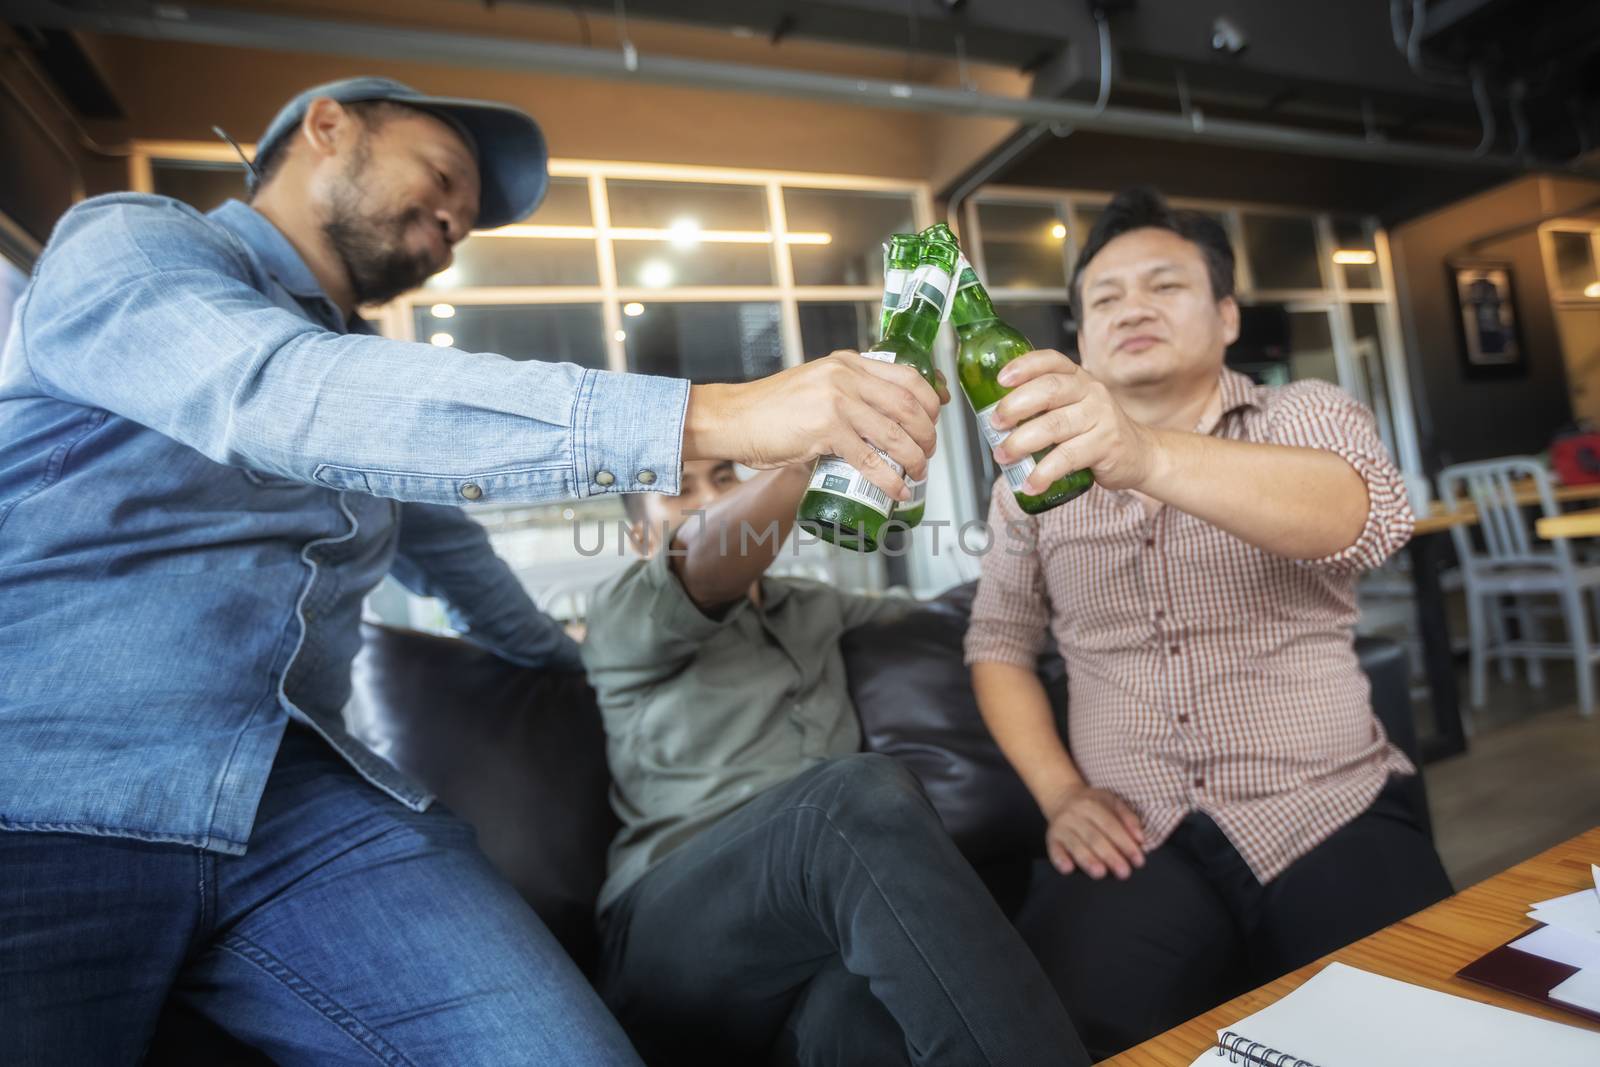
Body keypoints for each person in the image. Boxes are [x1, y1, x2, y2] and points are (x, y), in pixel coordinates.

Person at [0, 76, 941, 1065]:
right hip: (48, 780)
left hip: (298, 808)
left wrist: (611, 663)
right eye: (444, 175)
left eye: (468, 216)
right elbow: (276, 393)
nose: (456, 220)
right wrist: (714, 414)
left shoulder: (376, 407)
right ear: (329, 126)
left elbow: (485, 594)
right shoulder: (136, 244)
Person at [964, 186, 1453, 1058]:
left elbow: (1365, 517)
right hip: (1134, 835)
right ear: (1080, 337)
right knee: (1054, 1037)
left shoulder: (1302, 412)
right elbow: (998, 645)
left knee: (1413, 1034)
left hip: (1326, 804)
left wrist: (1143, 453)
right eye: (1104, 298)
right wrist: (1062, 795)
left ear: (1228, 316)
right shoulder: (1027, 487)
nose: (1132, 308)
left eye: (1165, 286)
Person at [578, 460, 1089, 1067]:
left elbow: (967, 613)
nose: (712, 500)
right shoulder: (621, 616)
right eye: (679, 491)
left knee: (874, 1010)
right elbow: (704, 558)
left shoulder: (816, 606)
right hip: (673, 928)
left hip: (810, 941)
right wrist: (813, 458)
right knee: (847, 800)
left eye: (724, 478)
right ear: (640, 537)